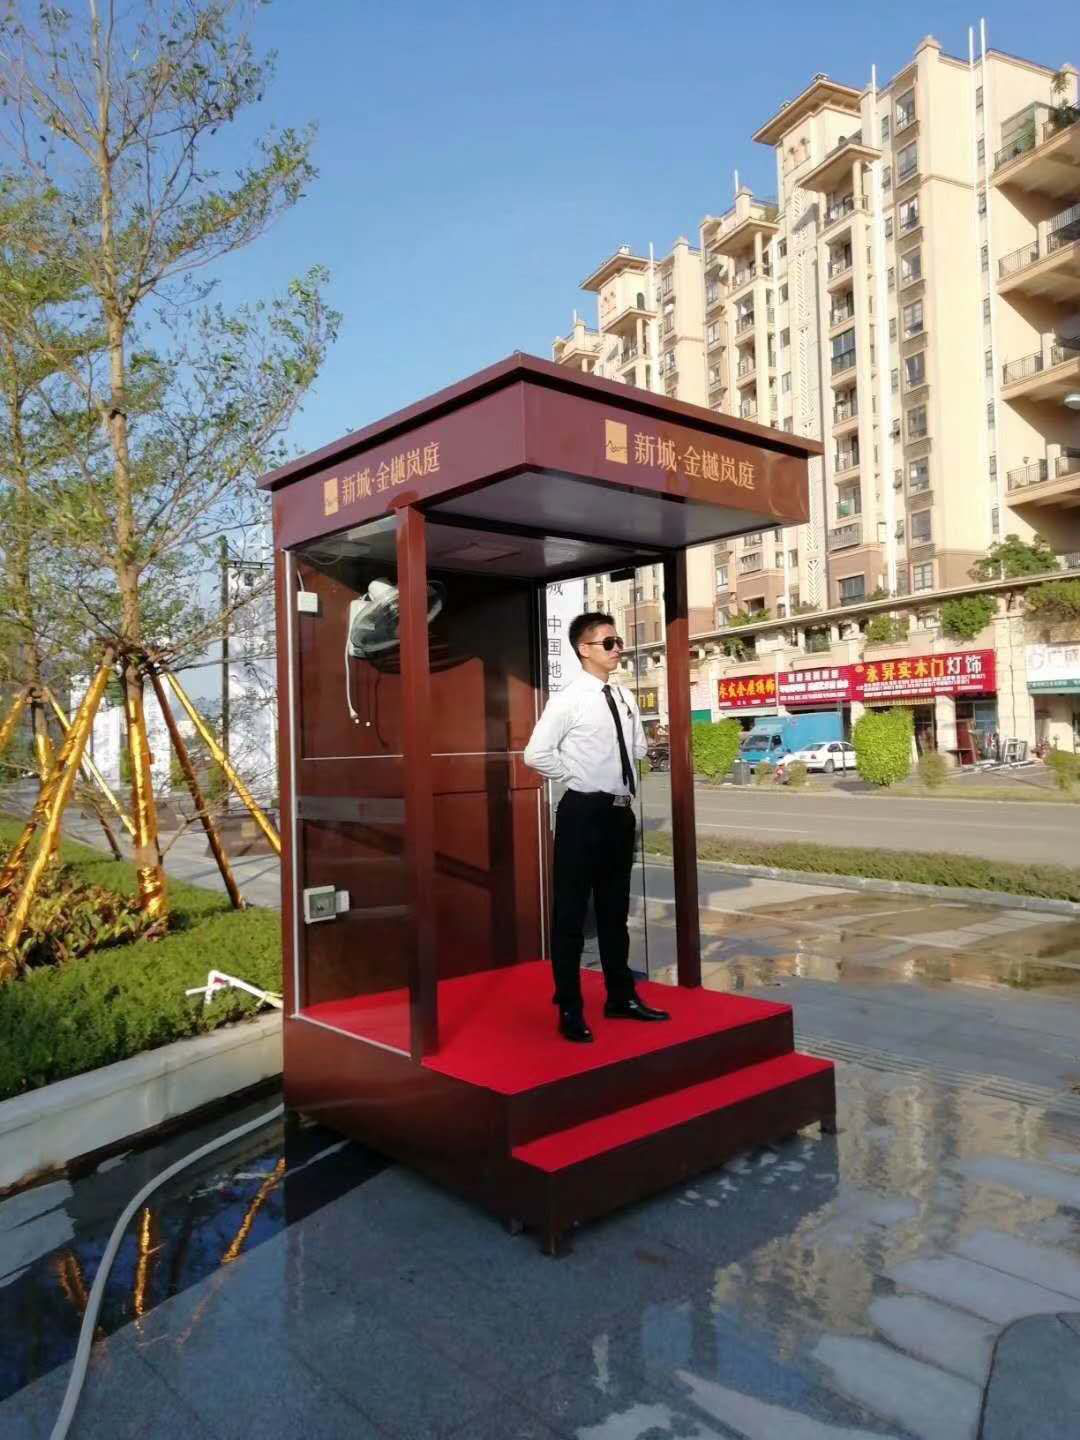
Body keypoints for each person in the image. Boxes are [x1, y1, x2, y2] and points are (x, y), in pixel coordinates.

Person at [524, 611, 670, 1043]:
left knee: (614, 910)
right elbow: (536, 753)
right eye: (608, 643)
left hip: (619, 813)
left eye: (618, 641)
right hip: (582, 812)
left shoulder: (623, 696)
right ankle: (570, 1007)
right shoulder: (568, 699)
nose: (617, 648)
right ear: (583, 649)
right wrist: (576, 777)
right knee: (571, 913)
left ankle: (620, 997)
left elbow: (637, 748)